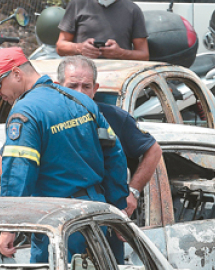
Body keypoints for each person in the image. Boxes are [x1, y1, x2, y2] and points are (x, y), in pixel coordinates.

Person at [0, 47, 128, 262]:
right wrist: (119, 207)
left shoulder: (25, 112)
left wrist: (8, 228)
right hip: (96, 215)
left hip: (58, 221)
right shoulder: (81, 101)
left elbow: (18, 173)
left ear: (17, 74)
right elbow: (114, 154)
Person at [56, 56, 162, 217]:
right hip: (57, 212)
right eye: (72, 86)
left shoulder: (115, 118)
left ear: (95, 88)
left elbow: (153, 150)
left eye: (86, 86)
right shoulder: (45, 118)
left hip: (107, 213)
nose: (79, 93)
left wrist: (133, 192)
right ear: (58, 87)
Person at [56, 0, 149, 61]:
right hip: (82, 72)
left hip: (119, 73)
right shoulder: (77, 4)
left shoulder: (132, 10)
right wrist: (80, 48)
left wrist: (121, 53)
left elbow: (144, 55)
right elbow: (60, 47)